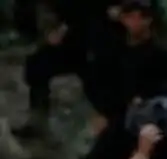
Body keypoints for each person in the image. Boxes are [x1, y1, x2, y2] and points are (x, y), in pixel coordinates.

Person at [76, 0, 167, 159]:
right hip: (117, 117)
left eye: (137, 16)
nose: (131, 21)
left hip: (147, 121)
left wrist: (146, 101)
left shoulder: (161, 54)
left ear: (147, 20)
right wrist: (104, 111)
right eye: (128, 16)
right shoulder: (115, 50)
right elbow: (98, 81)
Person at [15, 0, 119, 138]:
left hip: (98, 37)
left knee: (97, 84)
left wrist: (64, 29)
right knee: (37, 64)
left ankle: (115, 126)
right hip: (73, 37)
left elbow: (94, 10)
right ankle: (38, 121)